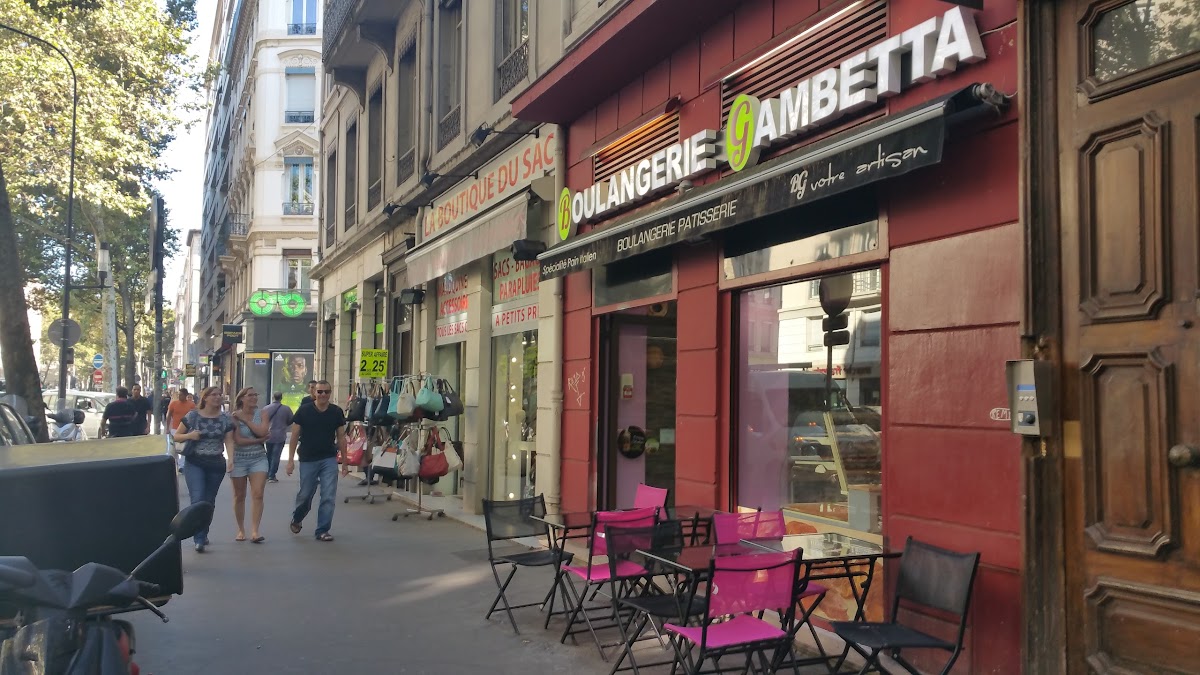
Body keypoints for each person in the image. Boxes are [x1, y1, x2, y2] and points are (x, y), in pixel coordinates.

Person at [172, 387, 234, 552]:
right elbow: (176, 436)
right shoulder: (193, 416)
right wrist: (189, 436)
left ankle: (203, 533)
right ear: (205, 398)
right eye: (214, 395)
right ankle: (198, 538)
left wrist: (231, 460)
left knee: (208, 502)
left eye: (220, 395)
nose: (218, 397)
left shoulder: (225, 418)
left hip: (216, 463)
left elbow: (229, 440)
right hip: (195, 462)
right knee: (198, 499)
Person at [286, 380, 349, 542]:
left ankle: (322, 530)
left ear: (330, 393)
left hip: (328, 458)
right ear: (314, 392)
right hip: (307, 458)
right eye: (320, 392)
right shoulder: (304, 411)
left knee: (328, 495)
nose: (323, 395)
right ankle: (298, 517)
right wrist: (290, 460)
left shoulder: (336, 412)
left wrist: (345, 463)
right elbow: (294, 436)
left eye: (326, 392)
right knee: (306, 494)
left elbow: (341, 437)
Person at [229, 387, 270, 544]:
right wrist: (259, 440)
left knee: (258, 493)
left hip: (258, 458)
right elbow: (238, 440)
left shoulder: (263, 413)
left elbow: (263, 431)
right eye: (250, 395)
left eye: (255, 394)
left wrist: (246, 421)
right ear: (242, 399)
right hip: (239, 458)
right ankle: (241, 529)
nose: (254, 397)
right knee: (239, 496)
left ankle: (255, 531)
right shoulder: (233, 416)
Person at [262, 392, 293, 483]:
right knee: (276, 455)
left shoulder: (266, 408)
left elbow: (262, 420)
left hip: (268, 435)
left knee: (269, 454)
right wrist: (285, 424)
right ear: (281, 398)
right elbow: (291, 419)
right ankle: (272, 475)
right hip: (280, 435)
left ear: (273, 397)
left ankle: (266, 474)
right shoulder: (286, 409)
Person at [165, 389, 197, 470]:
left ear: (186, 395)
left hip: (187, 429)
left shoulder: (191, 405)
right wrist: (167, 428)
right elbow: (168, 415)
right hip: (175, 428)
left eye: (181, 395)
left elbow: (195, 416)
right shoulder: (174, 404)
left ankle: (182, 466)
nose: (179, 396)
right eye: (179, 394)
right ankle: (175, 463)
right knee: (174, 448)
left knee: (184, 447)